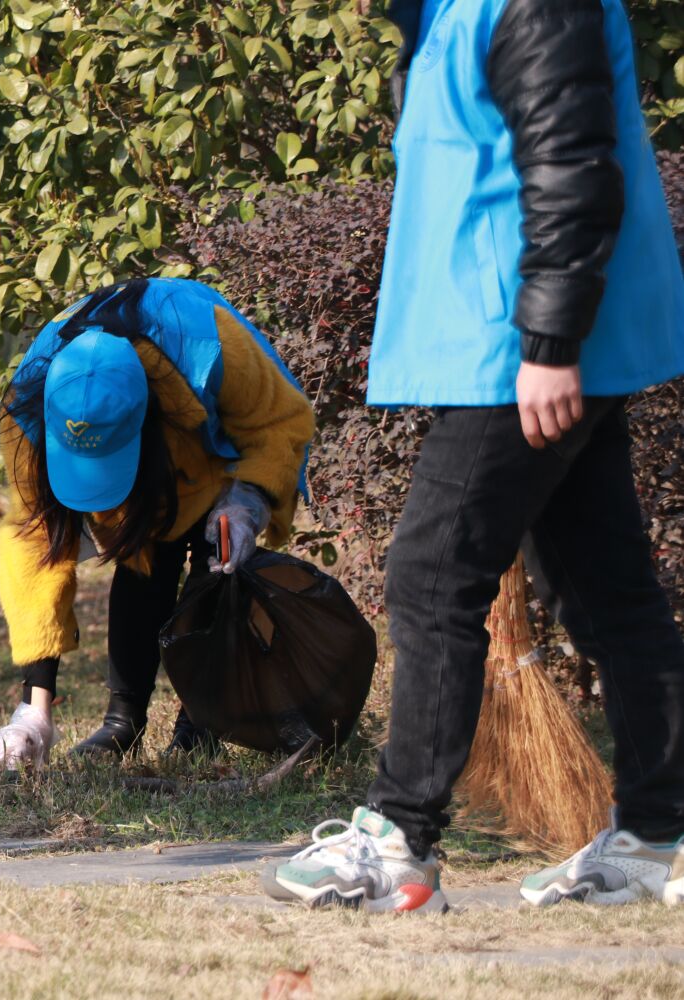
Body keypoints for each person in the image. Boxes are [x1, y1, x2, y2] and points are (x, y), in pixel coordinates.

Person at [264, 0, 684, 913]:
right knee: (607, 592)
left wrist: (551, 341)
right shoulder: (444, 13)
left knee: (431, 575)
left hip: (522, 351)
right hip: (521, 342)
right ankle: (658, 837)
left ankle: (399, 840)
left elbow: (573, 162)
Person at [0, 278, 316, 769]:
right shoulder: (27, 405)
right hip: (151, 449)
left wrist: (248, 500)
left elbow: (281, 423)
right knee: (144, 560)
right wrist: (34, 711)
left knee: (219, 562)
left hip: (205, 441)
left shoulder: (211, 347)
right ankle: (123, 720)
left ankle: (201, 721)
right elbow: (35, 544)